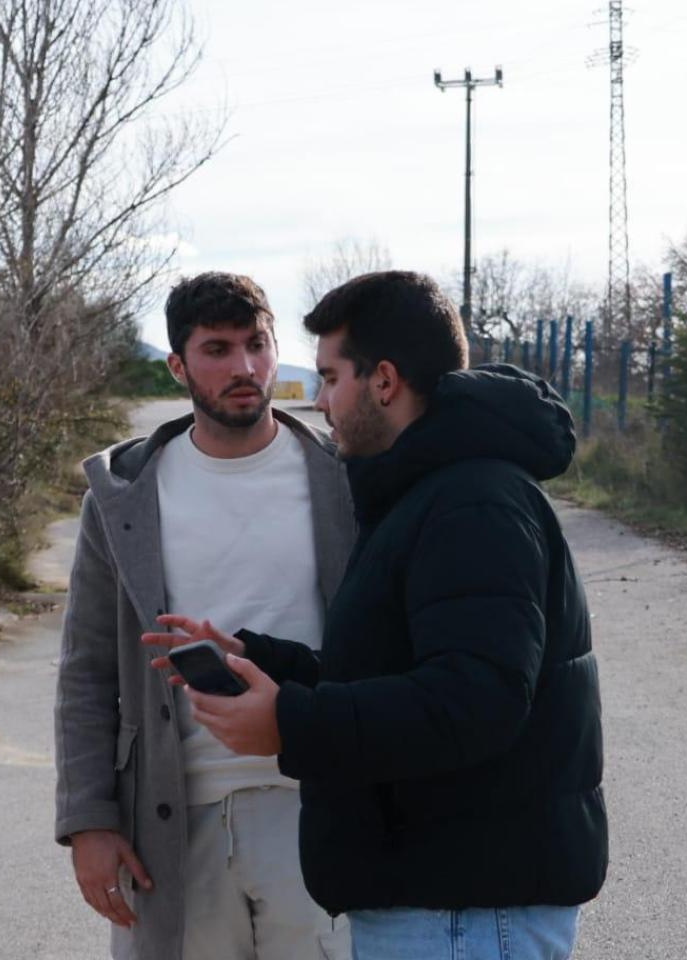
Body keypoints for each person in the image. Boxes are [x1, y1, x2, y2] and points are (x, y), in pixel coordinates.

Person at [146, 271, 606, 960]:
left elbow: (474, 700)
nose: (321, 400)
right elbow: (401, 671)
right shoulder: (428, 493)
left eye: (332, 378)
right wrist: (263, 659)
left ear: (383, 381)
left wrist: (290, 722)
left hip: (465, 915)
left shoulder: (472, 502)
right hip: (441, 903)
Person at [55, 272, 356, 960]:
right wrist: (88, 821)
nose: (244, 368)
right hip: (170, 816)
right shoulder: (123, 495)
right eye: (217, 349)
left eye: (257, 344)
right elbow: (86, 671)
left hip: (316, 804)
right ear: (177, 366)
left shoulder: (343, 478)